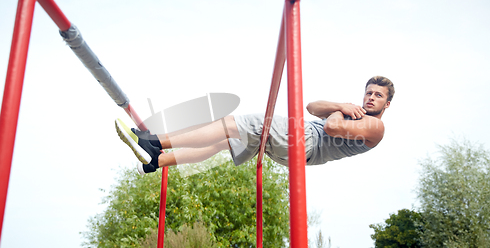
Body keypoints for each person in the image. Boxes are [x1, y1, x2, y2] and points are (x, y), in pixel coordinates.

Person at [115, 76, 394, 174]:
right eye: (368, 92)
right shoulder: (352, 113)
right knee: (225, 142)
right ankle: (156, 163)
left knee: (231, 123)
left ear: (387, 104)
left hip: (304, 139)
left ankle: (155, 142)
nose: (371, 98)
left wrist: (339, 112)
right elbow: (312, 107)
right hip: (299, 150)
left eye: (377, 95)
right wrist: (342, 105)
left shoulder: (374, 127)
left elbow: (331, 127)